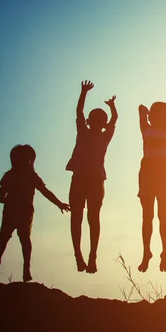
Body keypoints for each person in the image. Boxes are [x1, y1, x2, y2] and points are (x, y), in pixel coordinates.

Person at [0, 145, 70, 282]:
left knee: (21, 238)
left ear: (29, 160)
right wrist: (2, 198)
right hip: (11, 210)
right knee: (5, 238)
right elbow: (1, 190)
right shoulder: (11, 175)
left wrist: (59, 203)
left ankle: (26, 269)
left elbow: (45, 192)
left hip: (24, 211)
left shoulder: (30, 176)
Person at [66, 80, 117, 273]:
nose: (96, 123)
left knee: (92, 218)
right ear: (89, 122)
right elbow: (79, 112)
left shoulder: (105, 136)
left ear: (102, 124)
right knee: (77, 218)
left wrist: (112, 108)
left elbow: (114, 120)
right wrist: (83, 92)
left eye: (99, 121)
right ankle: (79, 256)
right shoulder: (83, 132)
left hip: (95, 181)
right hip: (80, 179)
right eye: (93, 120)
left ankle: (92, 256)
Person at [137, 99, 166, 273]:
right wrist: (146, 112)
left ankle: (165, 254)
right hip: (148, 176)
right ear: (153, 116)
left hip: (163, 177)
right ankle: (146, 252)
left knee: (163, 216)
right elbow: (140, 110)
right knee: (147, 216)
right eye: (163, 114)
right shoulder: (146, 129)